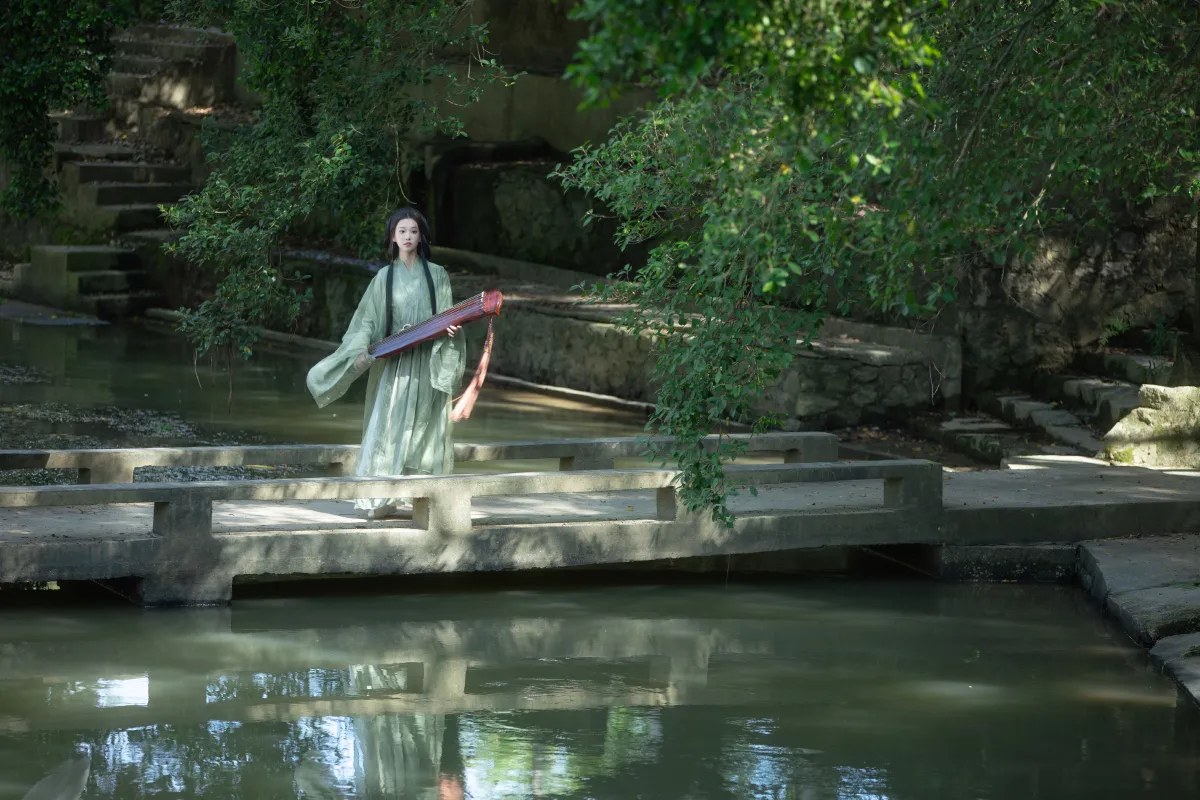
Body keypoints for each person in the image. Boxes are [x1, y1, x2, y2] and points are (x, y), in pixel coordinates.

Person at [306, 207, 465, 520]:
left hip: (427, 363)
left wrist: (450, 330)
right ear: (393, 236)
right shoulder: (384, 278)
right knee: (388, 426)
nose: (407, 237)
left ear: (421, 237)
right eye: (402, 231)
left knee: (425, 427)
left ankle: (425, 498)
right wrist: (361, 347)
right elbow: (368, 320)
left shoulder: (437, 276)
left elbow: (447, 315)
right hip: (395, 363)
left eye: (413, 231)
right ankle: (379, 498)